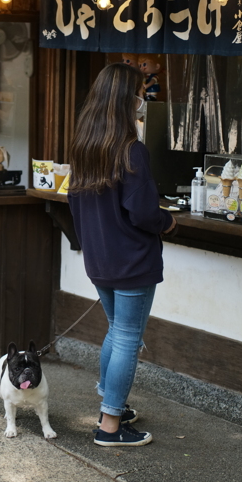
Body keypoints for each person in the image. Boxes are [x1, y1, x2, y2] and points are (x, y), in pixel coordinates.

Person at [67, 62, 176, 448]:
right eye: (141, 93)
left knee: (117, 331)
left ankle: (111, 406)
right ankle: (110, 425)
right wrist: (167, 222)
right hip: (132, 261)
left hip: (99, 260)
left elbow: (74, 204)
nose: (144, 100)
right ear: (125, 101)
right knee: (128, 336)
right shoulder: (132, 151)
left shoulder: (84, 147)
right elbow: (144, 213)